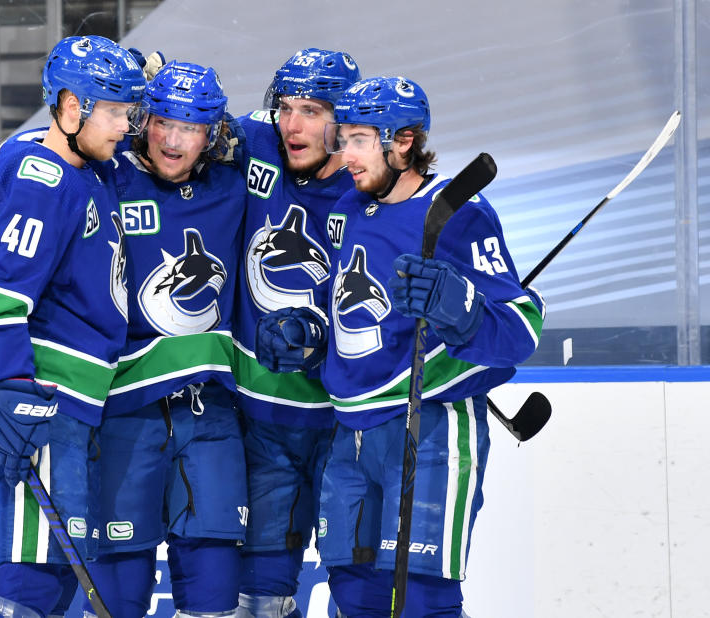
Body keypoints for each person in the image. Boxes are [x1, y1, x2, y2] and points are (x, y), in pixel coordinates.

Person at [258, 75, 546, 616]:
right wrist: (308, 333)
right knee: (355, 596)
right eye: (342, 139)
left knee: (420, 600)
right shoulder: (347, 208)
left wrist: (460, 306)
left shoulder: (458, 213)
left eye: (360, 140)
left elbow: (523, 327)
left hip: (430, 430)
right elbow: (341, 310)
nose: (345, 154)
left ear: (404, 141)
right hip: (350, 432)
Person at [0, 35, 147, 618]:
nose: (124, 127)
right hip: (42, 397)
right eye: (112, 112)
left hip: (72, 399)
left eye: (127, 112)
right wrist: (14, 389)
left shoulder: (88, 169)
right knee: (29, 580)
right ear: (70, 106)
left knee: (57, 575)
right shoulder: (47, 179)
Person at [79, 60, 247, 618]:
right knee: (118, 600)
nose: (174, 141)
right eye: (164, 122)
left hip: (211, 413)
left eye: (193, 127)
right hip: (125, 409)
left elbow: (293, 136)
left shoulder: (234, 184)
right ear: (143, 118)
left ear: (213, 133)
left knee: (215, 597)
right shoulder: (104, 175)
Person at [231, 48, 361, 618]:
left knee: (361, 588)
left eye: (310, 110)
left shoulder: (372, 185)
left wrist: (325, 339)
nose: (292, 125)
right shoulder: (257, 141)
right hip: (263, 418)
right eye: (284, 107)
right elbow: (178, 130)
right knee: (258, 595)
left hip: (346, 425)